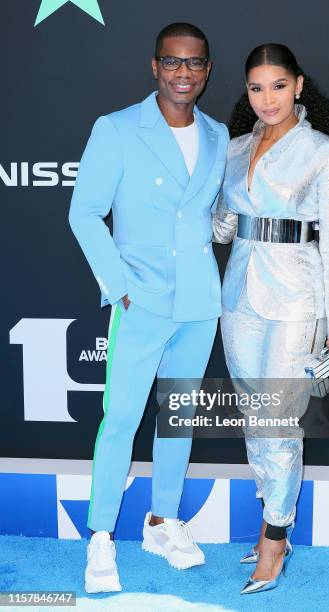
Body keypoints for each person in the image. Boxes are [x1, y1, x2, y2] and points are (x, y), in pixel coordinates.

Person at [69, 22, 229, 593]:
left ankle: (162, 521)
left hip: (198, 300)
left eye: (195, 64)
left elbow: (214, 216)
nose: (183, 73)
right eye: (172, 62)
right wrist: (119, 285)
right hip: (141, 299)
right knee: (122, 419)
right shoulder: (115, 130)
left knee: (177, 416)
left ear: (207, 71)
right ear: (154, 66)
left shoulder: (216, 134)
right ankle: (101, 535)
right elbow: (84, 213)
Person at [213, 43, 329, 595]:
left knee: (277, 418)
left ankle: (275, 534)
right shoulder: (234, 147)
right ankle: (272, 516)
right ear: (246, 91)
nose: (266, 98)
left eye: (278, 85)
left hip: (297, 296)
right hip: (239, 294)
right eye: (255, 87)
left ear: (298, 85)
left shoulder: (325, 153)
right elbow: (223, 229)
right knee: (254, 417)